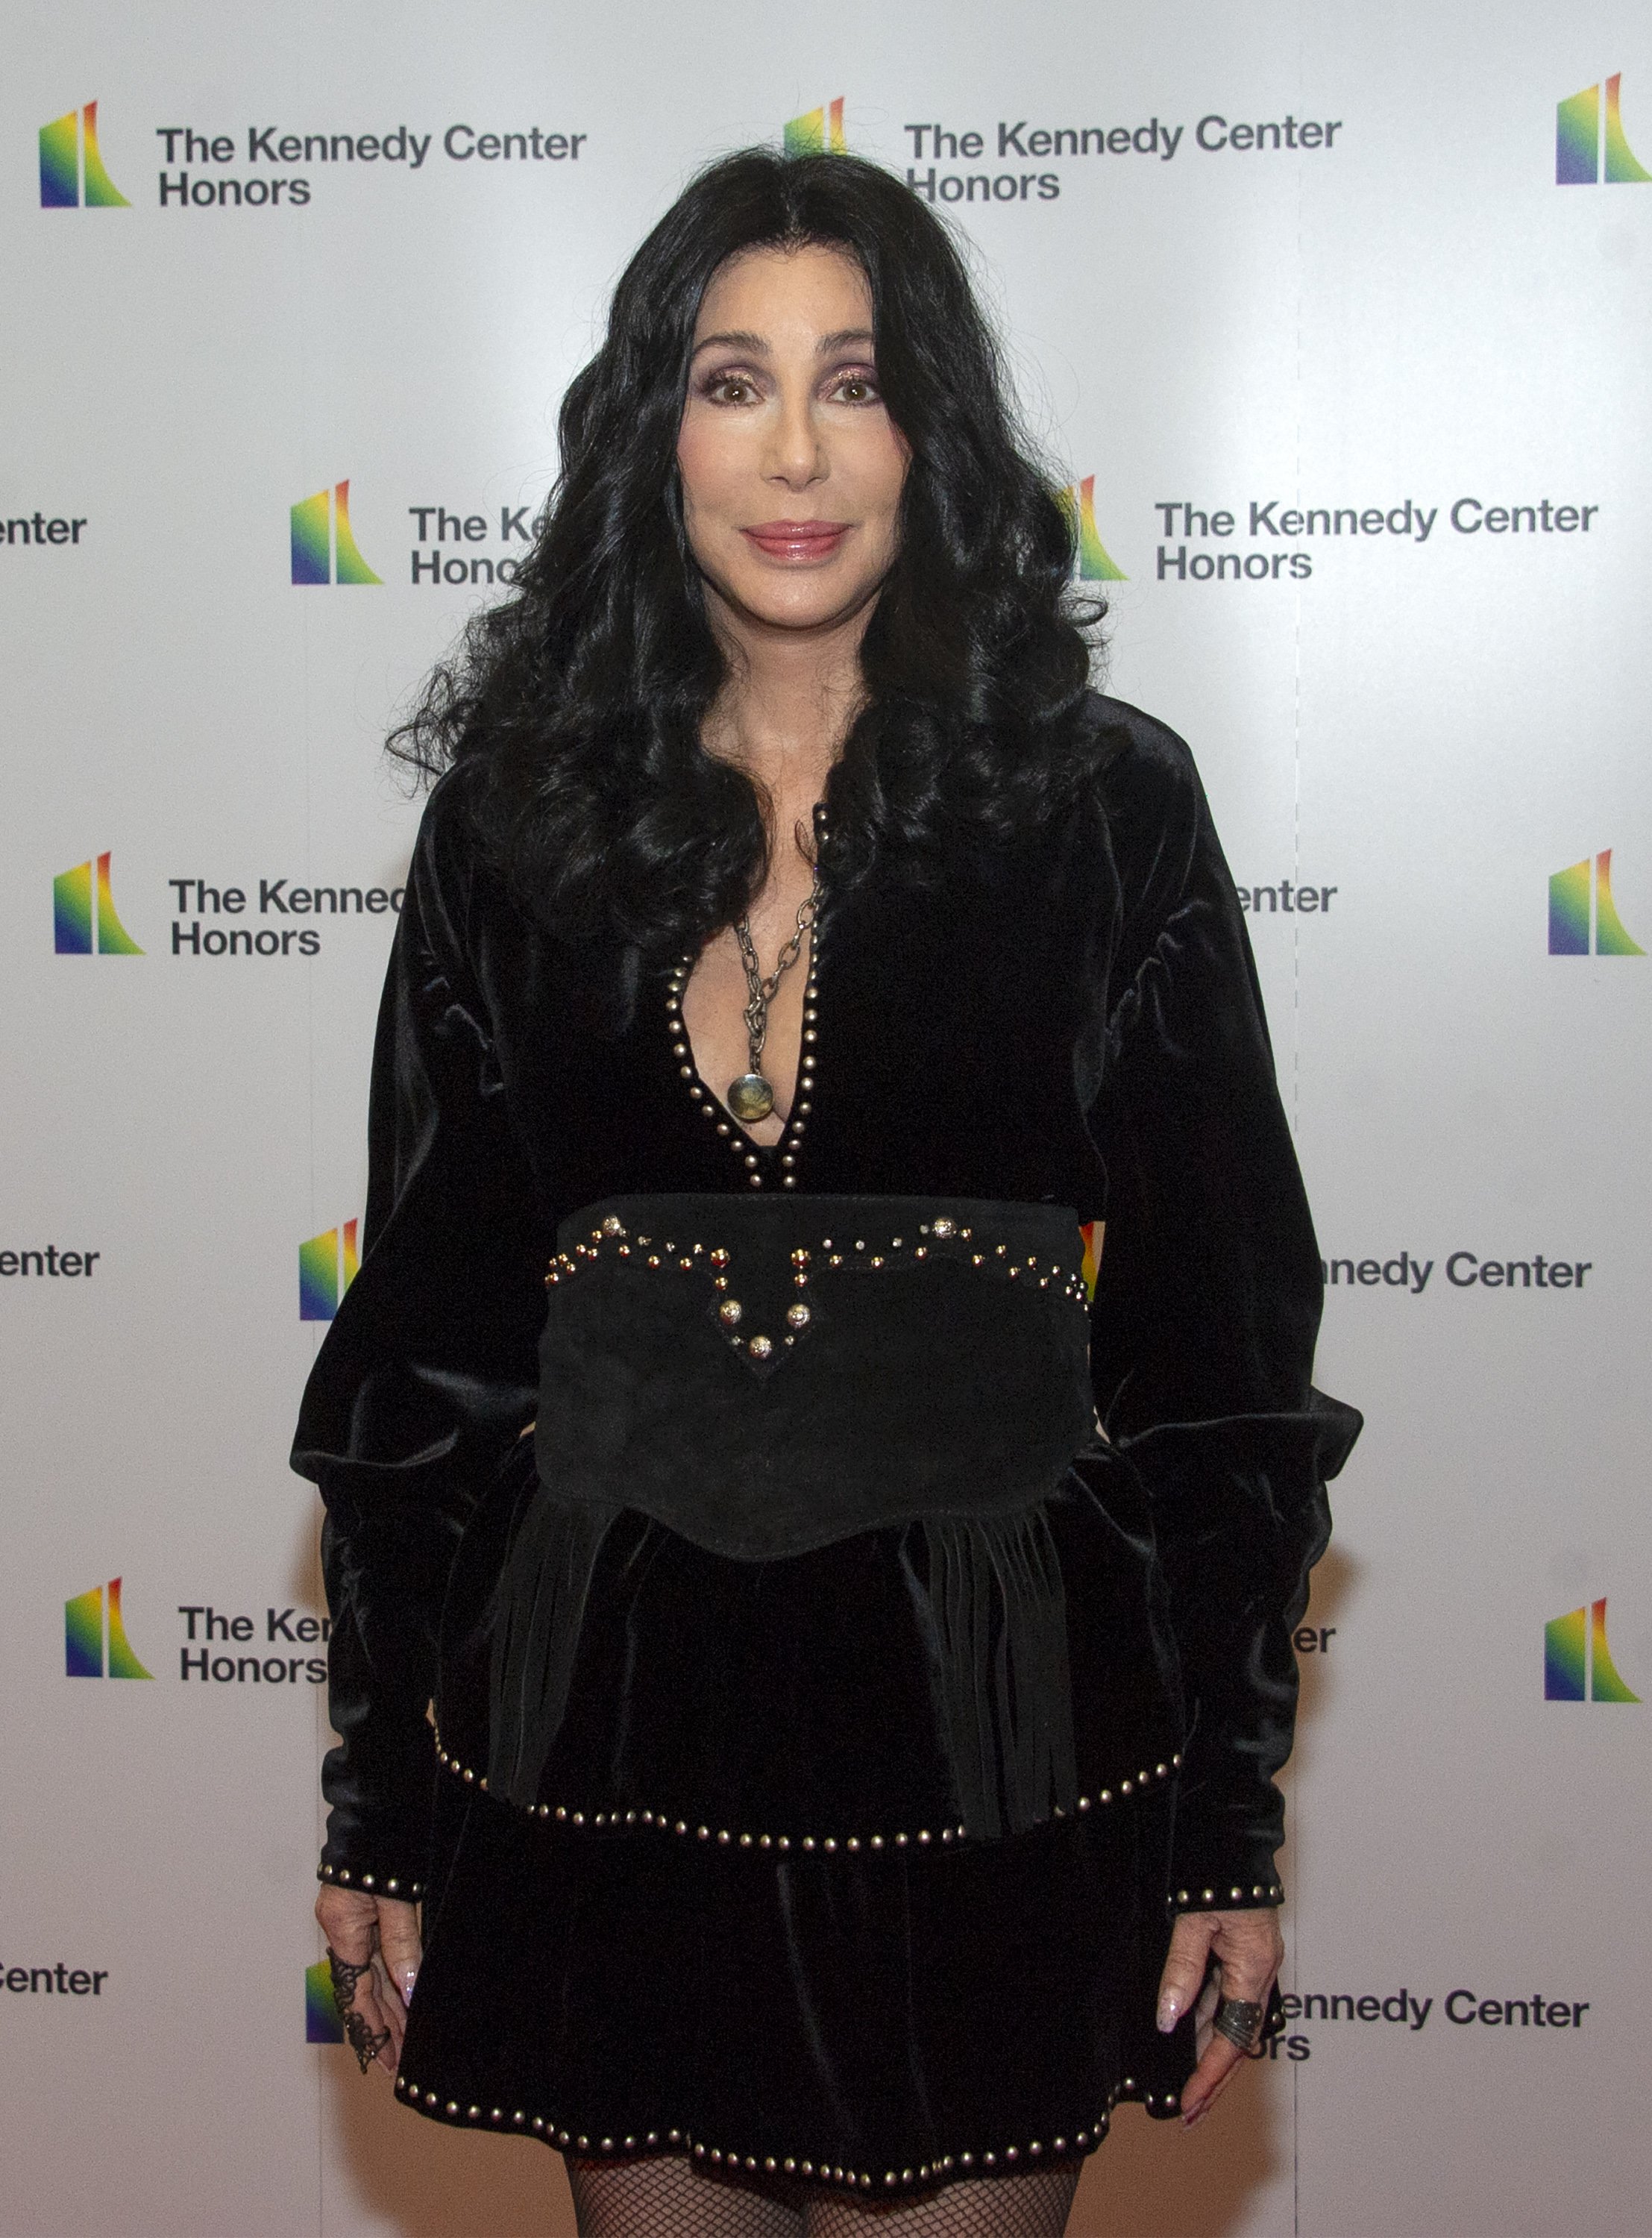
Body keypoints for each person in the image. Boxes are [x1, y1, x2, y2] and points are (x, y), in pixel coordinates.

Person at [294, 148, 1359, 2238]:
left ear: (928, 429)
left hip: (988, 1737)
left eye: (852, 381)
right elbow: (423, 1370)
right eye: (730, 382)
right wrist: (383, 1805)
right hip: (611, 1727)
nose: (795, 448)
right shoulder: (514, 832)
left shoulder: (1105, 810)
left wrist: (1230, 1824)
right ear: (648, 437)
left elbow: (1222, 1360)